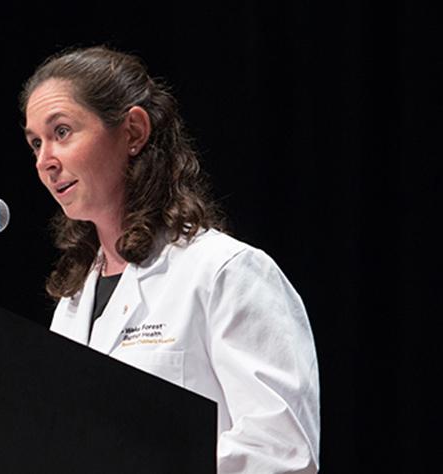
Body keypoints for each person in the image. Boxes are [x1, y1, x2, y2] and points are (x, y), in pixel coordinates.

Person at [20, 45, 320, 473]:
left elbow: (283, 453)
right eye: (35, 143)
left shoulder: (225, 272)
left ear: (134, 132)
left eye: (62, 132)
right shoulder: (72, 303)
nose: (45, 161)